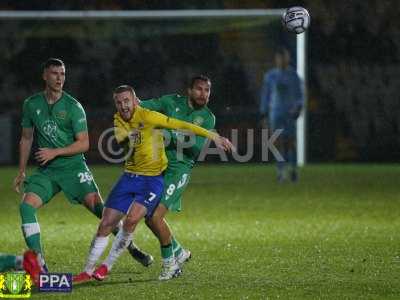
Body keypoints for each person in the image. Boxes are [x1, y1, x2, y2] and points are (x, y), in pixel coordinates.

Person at [73, 85, 232, 283]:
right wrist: (132, 137)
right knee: (106, 223)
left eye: (127, 101)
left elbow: (181, 125)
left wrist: (213, 136)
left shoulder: (148, 116)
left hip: (152, 180)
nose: (123, 105)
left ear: (134, 100)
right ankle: (87, 271)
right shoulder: (118, 119)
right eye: (119, 102)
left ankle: (107, 266)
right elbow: (121, 139)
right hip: (129, 177)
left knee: (136, 220)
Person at [13, 58, 152, 278]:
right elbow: (26, 138)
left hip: (73, 167)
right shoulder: (31, 104)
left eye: (63, 74)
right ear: (44, 76)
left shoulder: (73, 106)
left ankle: (131, 247)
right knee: (26, 207)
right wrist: (21, 171)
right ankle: (39, 265)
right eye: (55, 74)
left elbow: (84, 144)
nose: (60, 78)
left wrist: (55, 152)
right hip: (48, 171)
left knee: (101, 210)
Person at [139, 75, 218, 280]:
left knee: (155, 216)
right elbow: (144, 106)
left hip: (179, 170)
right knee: (148, 216)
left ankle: (171, 265)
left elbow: (197, 148)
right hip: (159, 167)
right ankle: (179, 251)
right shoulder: (170, 102)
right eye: (199, 89)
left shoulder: (208, 118)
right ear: (189, 90)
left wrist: (168, 132)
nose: (203, 94)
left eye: (207, 90)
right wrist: (129, 102)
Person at [259, 47, 304, 182]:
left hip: (289, 113)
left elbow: (299, 95)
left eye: (284, 57)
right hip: (275, 112)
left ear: (288, 59)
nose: (282, 60)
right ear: (276, 59)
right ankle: (281, 171)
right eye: (279, 57)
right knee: (277, 141)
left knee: (290, 141)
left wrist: (297, 108)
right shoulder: (270, 76)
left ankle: (293, 169)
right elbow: (265, 95)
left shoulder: (293, 75)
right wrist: (263, 113)